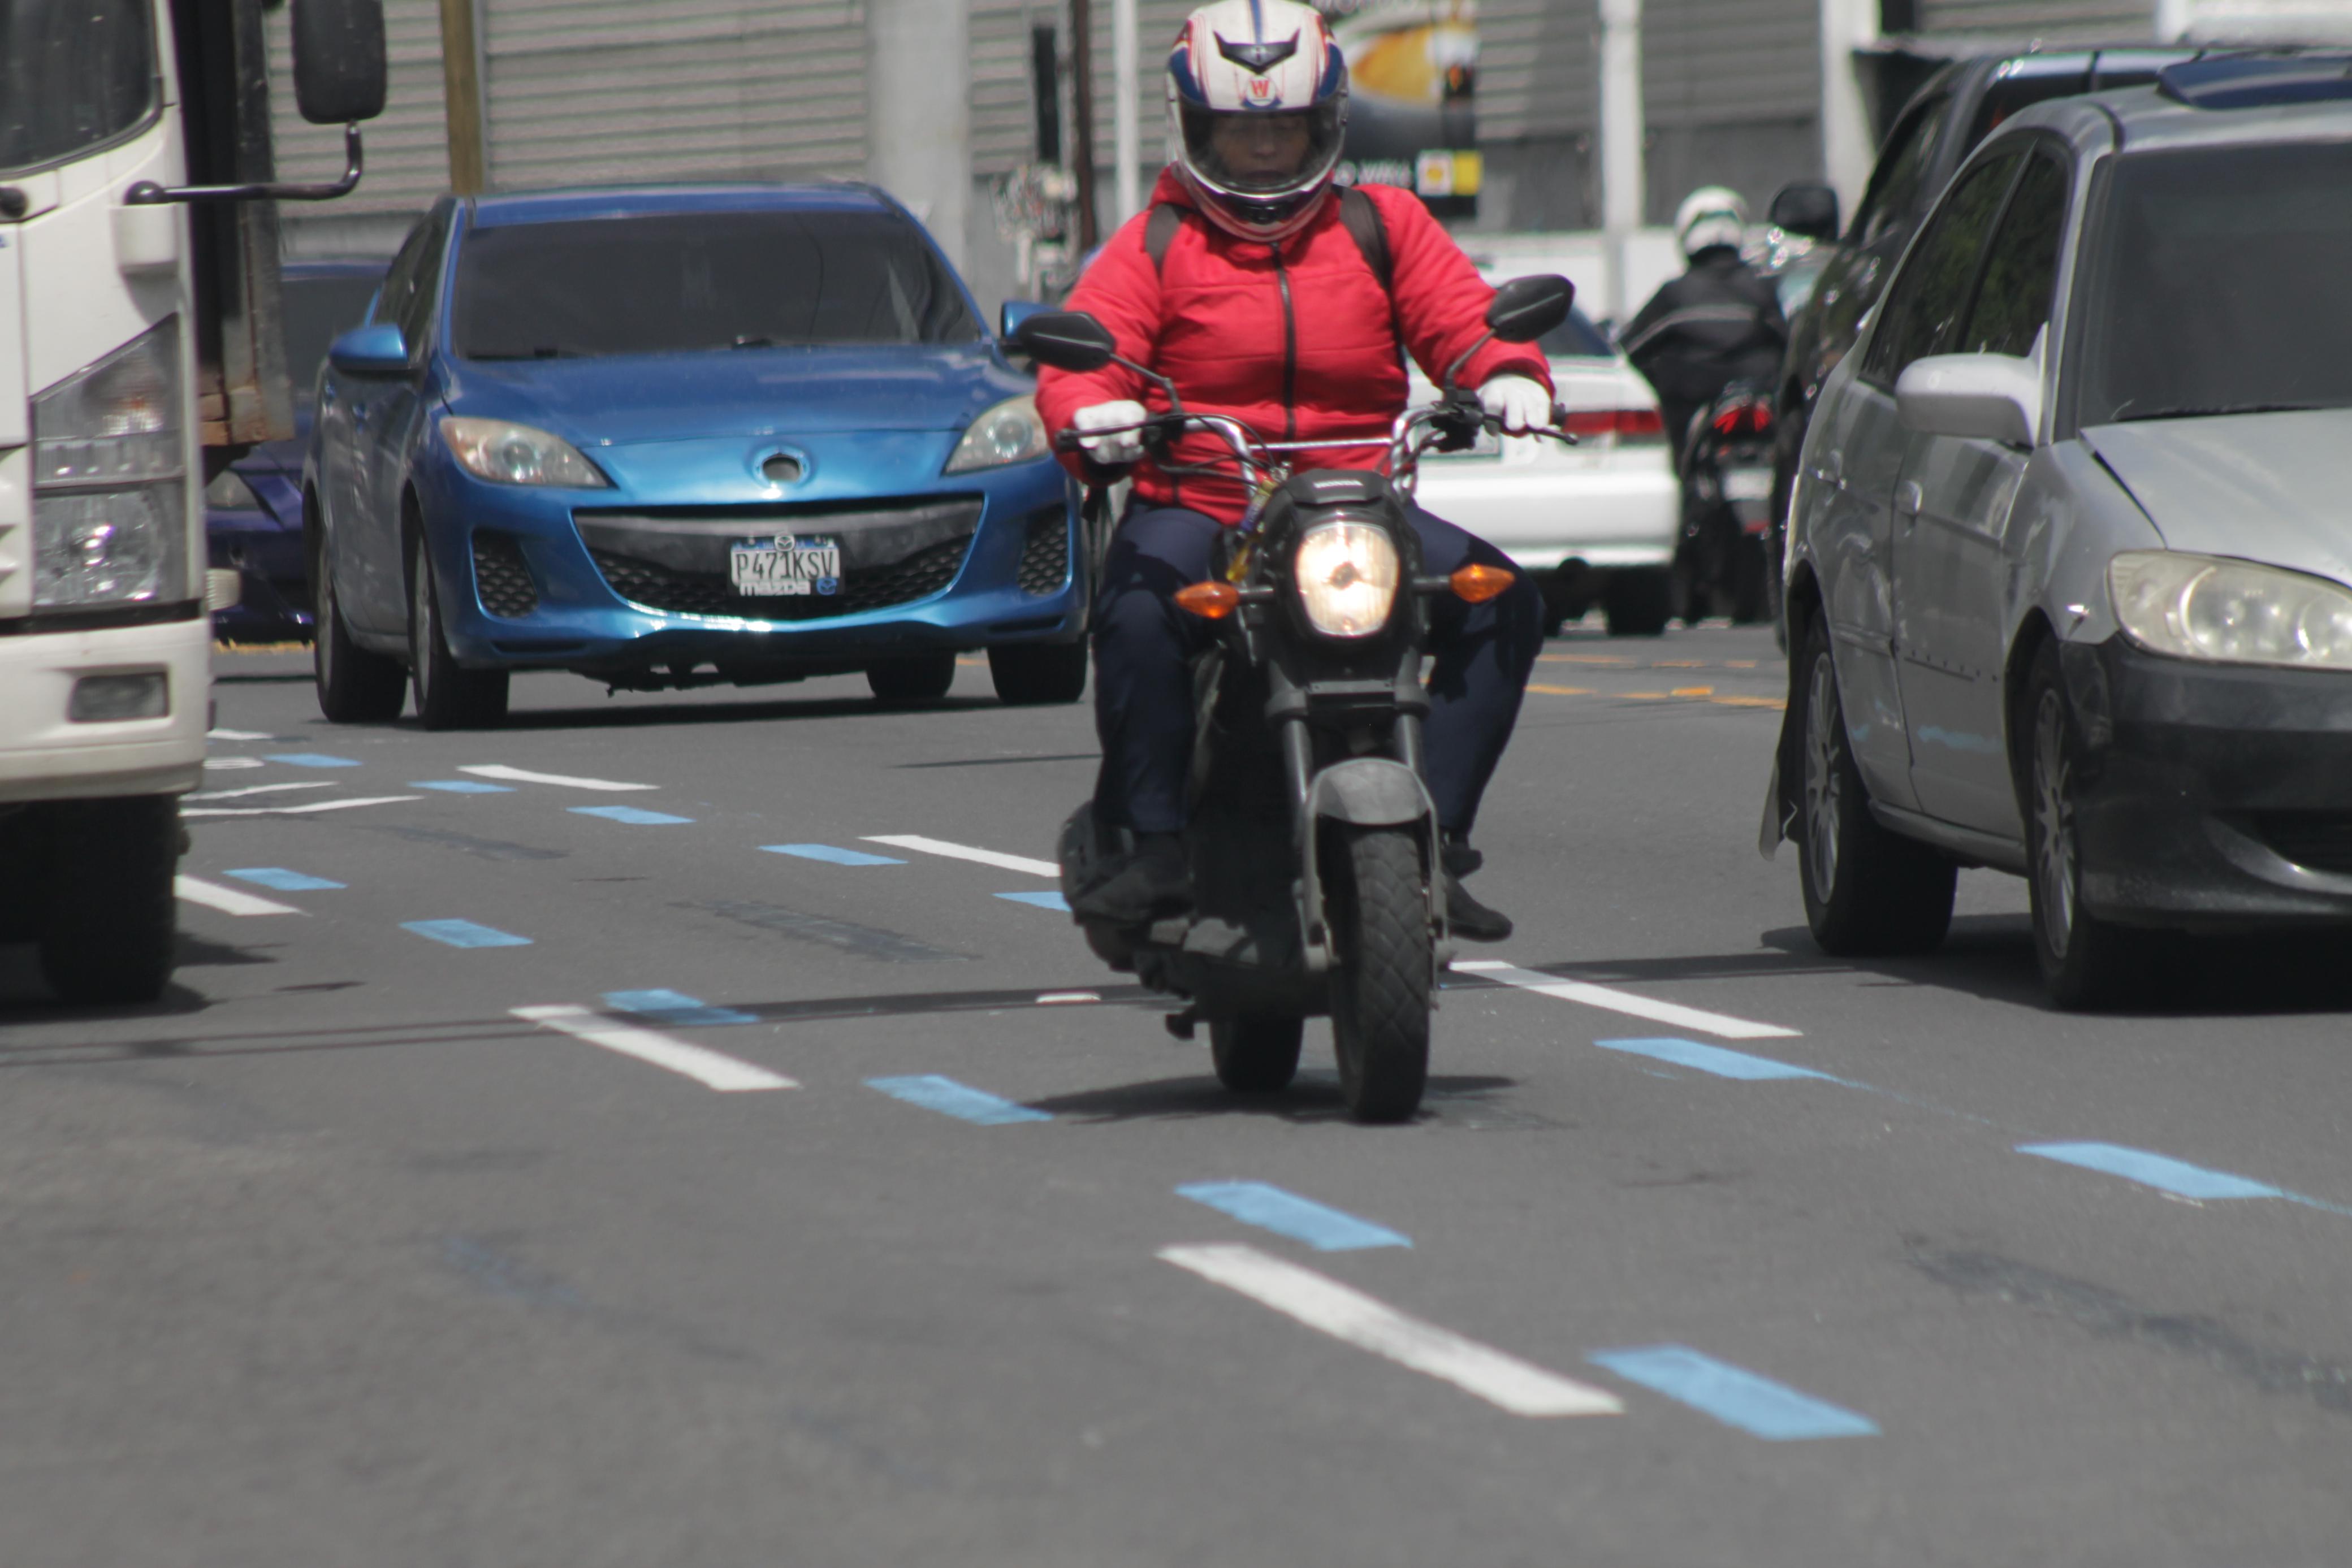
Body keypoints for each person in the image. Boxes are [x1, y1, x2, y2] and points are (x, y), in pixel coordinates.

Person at [1033, 0, 1551, 941]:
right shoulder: (1157, 239)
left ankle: (1439, 833)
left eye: (1284, 124)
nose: (1265, 146)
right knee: (1139, 615)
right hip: (1205, 500)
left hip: (1355, 502)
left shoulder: (1379, 223)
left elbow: (1461, 318)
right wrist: (1092, 412)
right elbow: (1088, 354)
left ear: (1325, 123)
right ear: (1197, 126)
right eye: (1241, 124)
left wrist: (1508, 372)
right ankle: (1153, 843)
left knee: (1504, 599)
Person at [1620, 186, 1789, 466]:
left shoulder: (1674, 294)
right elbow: (1791, 343)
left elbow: (1629, 351)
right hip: (1760, 401)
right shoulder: (1765, 288)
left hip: (1697, 414)